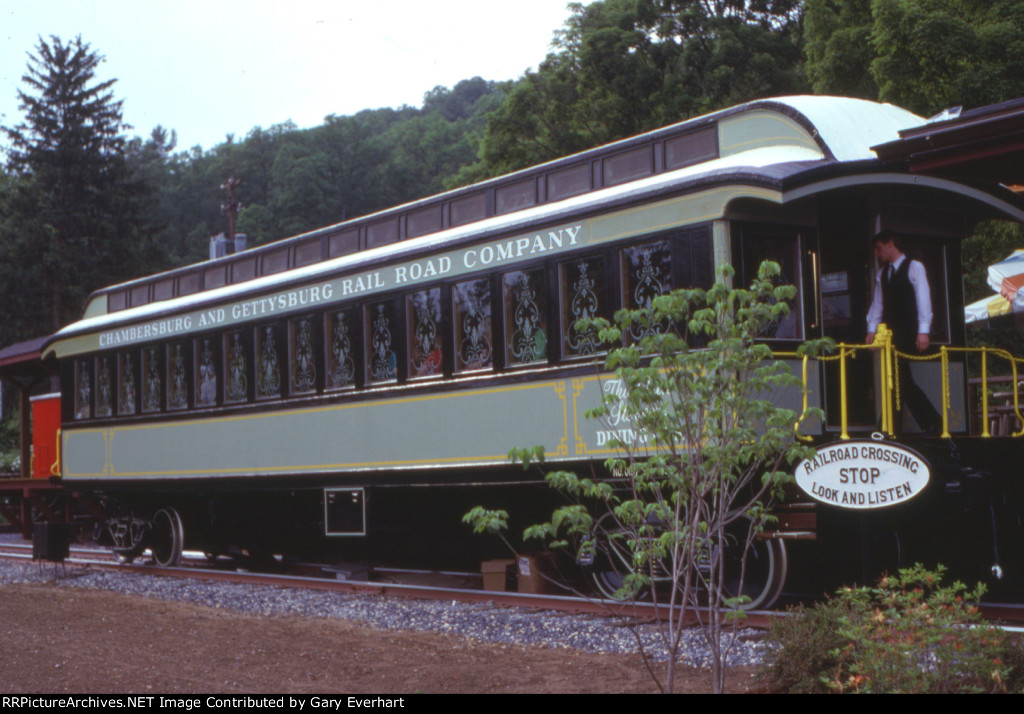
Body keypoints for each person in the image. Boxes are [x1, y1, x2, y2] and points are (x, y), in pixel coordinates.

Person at [865, 230, 941, 433]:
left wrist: (923, 331)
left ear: (890, 244)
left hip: (908, 333)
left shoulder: (914, 267)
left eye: (878, 248)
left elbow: (923, 299)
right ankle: (924, 424)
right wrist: (871, 330)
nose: (876, 253)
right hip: (891, 335)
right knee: (898, 380)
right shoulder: (883, 274)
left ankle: (894, 427)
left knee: (899, 379)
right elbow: (878, 304)